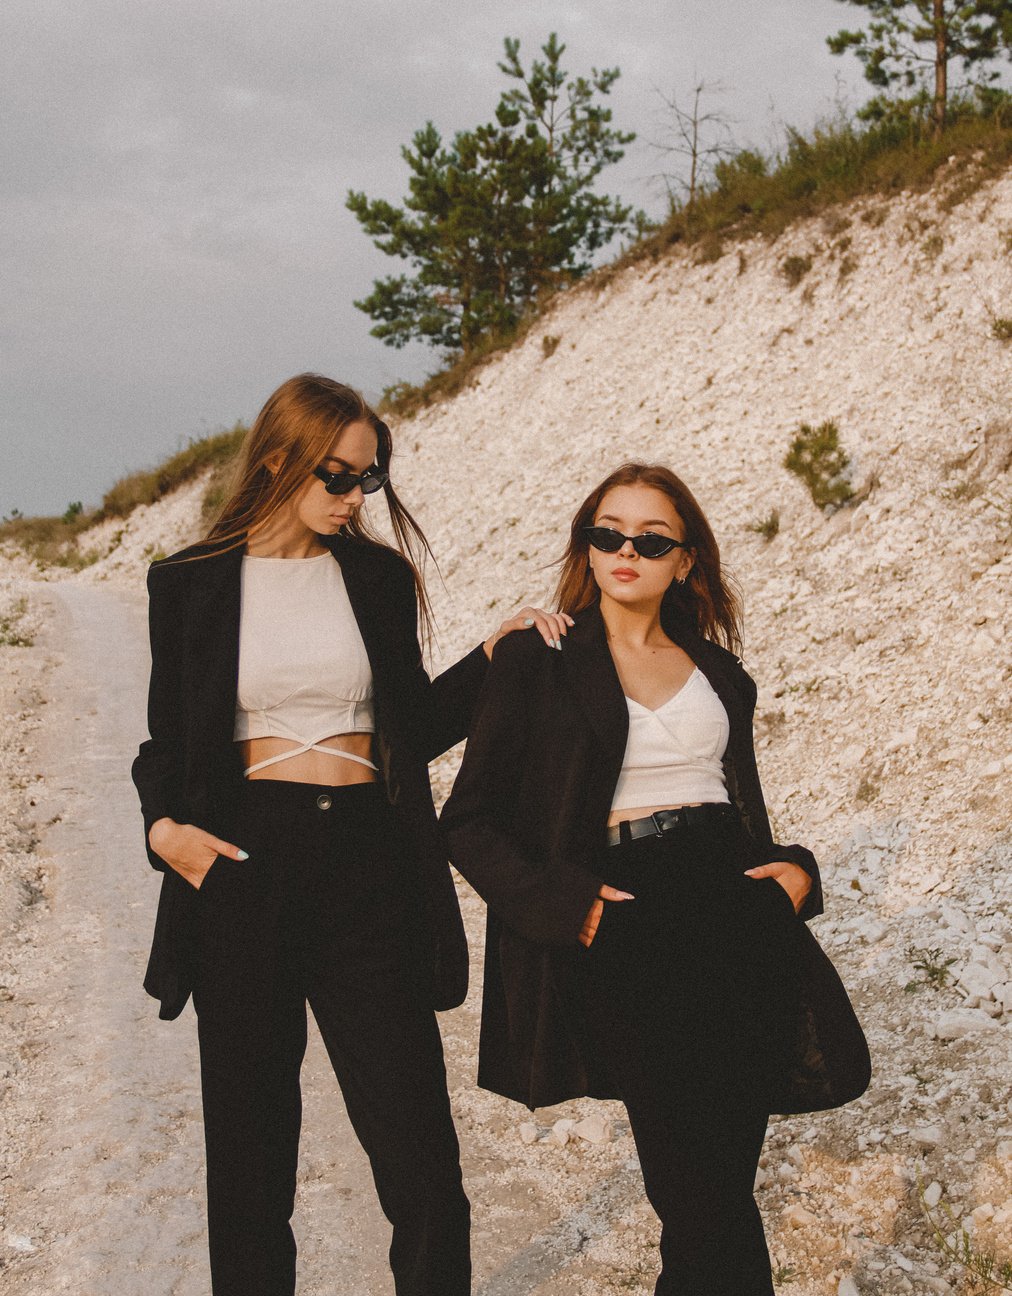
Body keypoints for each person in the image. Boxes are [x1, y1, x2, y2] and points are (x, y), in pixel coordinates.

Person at [130, 373, 571, 1296]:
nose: (354, 497)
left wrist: (496, 655)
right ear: (280, 457)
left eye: (368, 480)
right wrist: (165, 829)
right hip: (243, 867)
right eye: (337, 476)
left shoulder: (375, 577)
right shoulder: (189, 584)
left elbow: (411, 724)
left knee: (422, 1164)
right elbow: (168, 743)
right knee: (252, 1168)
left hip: (368, 866)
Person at [441, 462, 830, 1295]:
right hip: (625, 917)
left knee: (719, 1189)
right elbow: (467, 821)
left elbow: (739, 803)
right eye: (607, 533)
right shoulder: (538, 659)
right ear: (586, 544)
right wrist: (563, 905)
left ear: (684, 561)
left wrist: (796, 874)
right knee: (693, 1191)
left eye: (651, 540)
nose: (626, 551)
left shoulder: (720, 672)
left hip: (735, 910)